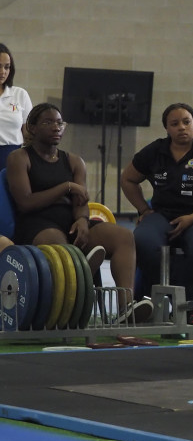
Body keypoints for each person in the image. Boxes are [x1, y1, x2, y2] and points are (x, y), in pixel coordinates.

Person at [6, 103, 147, 321]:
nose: (56, 127)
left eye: (59, 123)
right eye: (48, 122)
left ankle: (125, 308)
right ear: (31, 128)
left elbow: (81, 200)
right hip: (37, 224)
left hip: (70, 221)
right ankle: (79, 275)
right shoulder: (19, 158)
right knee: (59, 245)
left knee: (123, 236)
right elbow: (26, 202)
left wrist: (82, 219)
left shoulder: (74, 161)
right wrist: (65, 187)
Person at [120, 103, 193, 305]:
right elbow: (127, 179)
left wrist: (192, 218)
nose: (181, 127)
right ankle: (158, 298)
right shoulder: (154, 151)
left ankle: (191, 303)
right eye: (174, 123)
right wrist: (144, 209)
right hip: (163, 215)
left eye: (186, 122)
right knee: (142, 240)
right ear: (167, 129)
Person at [0, 44, 32, 169]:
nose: (3, 72)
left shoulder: (20, 94)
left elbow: (29, 133)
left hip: (12, 156)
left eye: (7, 67)